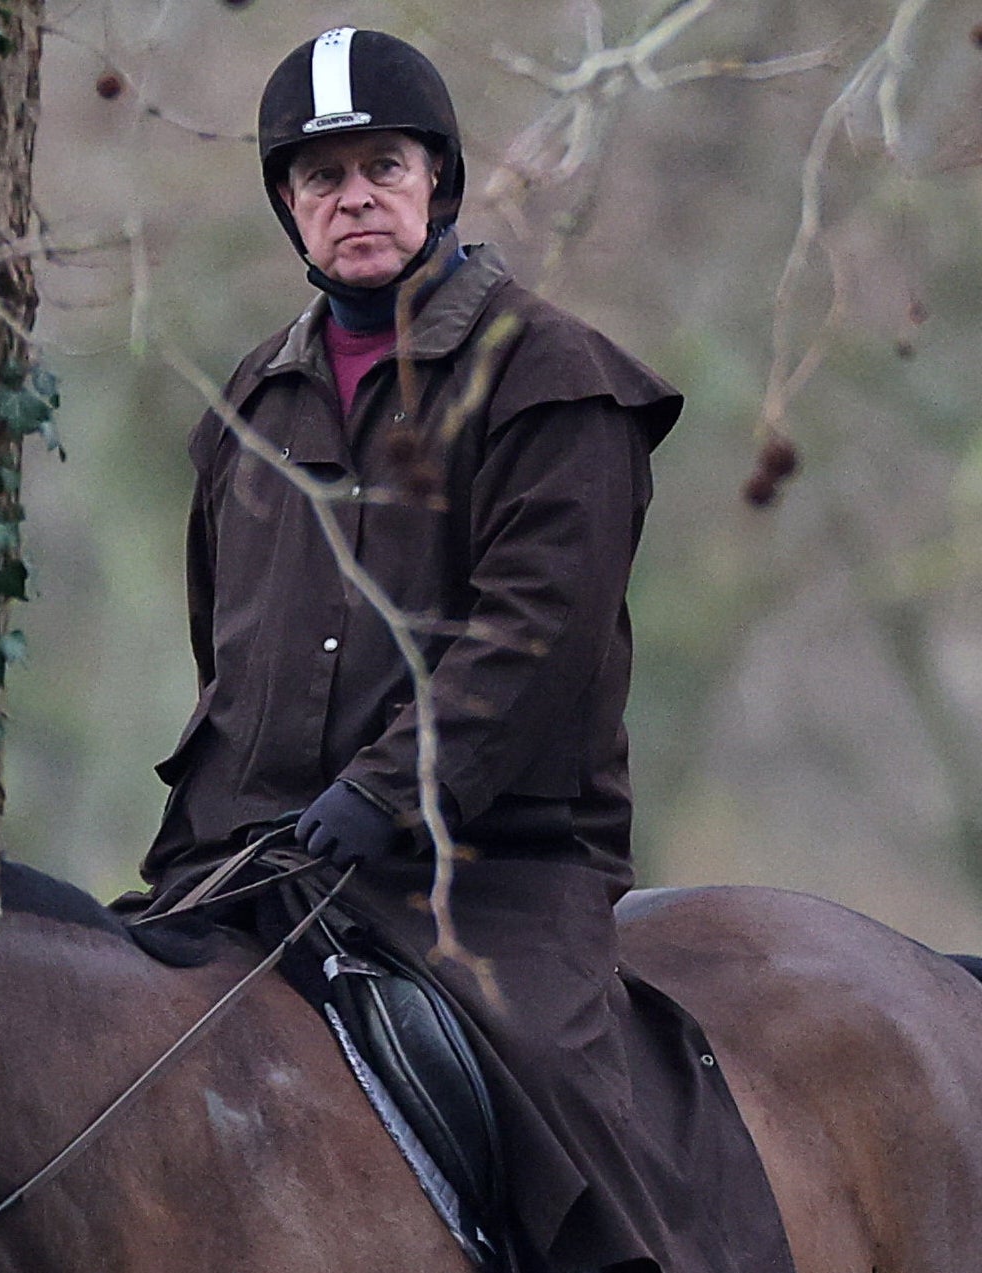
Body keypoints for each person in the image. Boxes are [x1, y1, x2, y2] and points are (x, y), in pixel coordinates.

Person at [135, 28, 789, 1273]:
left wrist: (386, 793)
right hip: (254, 860)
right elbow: (224, 638)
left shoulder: (554, 380)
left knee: (563, 1112)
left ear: (437, 178)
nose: (355, 198)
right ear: (289, 207)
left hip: (486, 872)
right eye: (322, 180)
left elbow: (535, 639)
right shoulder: (247, 408)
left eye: (382, 166)